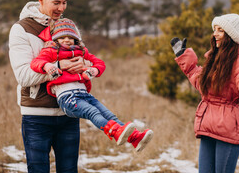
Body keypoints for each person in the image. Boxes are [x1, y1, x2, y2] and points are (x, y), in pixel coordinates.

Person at [30, 18, 154, 152]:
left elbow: (99, 63)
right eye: (62, 37)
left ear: (76, 39)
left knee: (109, 115)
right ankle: (113, 131)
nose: (67, 40)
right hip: (67, 98)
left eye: (70, 37)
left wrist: (93, 69)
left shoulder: (82, 52)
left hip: (84, 94)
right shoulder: (52, 51)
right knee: (93, 112)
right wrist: (48, 66)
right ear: (55, 39)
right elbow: (36, 62)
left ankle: (134, 138)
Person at [170, 13, 239, 173]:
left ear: (231, 35)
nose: (214, 33)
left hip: (228, 129)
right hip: (208, 125)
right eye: (214, 29)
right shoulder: (215, 58)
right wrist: (184, 58)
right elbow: (203, 85)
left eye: (220, 30)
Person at [9, 0, 89, 173]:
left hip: (69, 112)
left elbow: (85, 59)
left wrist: (83, 64)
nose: (61, 8)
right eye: (56, 3)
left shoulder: (69, 27)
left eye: (64, 2)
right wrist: (60, 66)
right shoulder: (21, 29)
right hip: (36, 116)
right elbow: (24, 77)